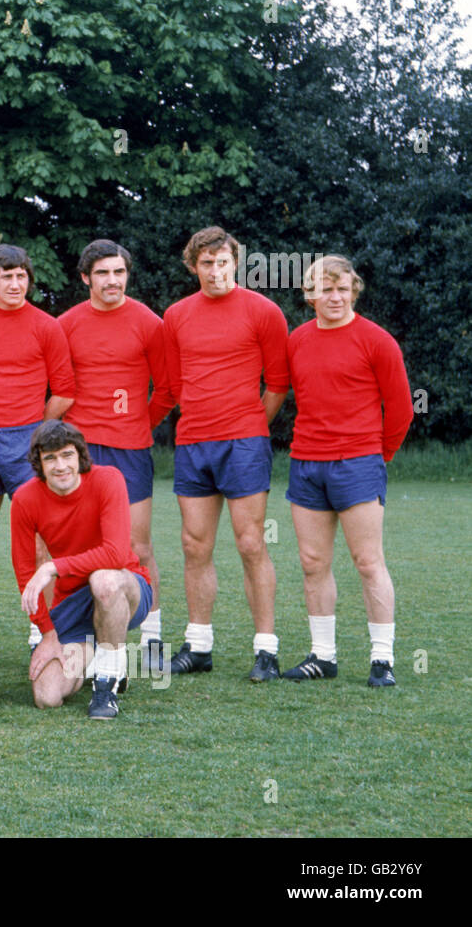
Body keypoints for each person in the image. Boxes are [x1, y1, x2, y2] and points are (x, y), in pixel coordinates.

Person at [159, 226, 290, 681]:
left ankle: (266, 650)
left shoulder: (264, 311)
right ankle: (198, 645)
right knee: (194, 545)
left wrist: (250, 426)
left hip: (244, 443)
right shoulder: (175, 315)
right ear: (193, 266)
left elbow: (277, 384)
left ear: (236, 262)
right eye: (206, 263)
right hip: (193, 442)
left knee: (251, 543)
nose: (215, 271)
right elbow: (175, 386)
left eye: (223, 262)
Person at [283, 256, 413, 687]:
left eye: (342, 289)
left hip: (358, 463)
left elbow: (400, 410)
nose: (333, 297)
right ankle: (323, 656)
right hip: (306, 463)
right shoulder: (297, 340)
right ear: (310, 295)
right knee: (312, 561)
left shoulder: (377, 341)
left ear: (353, 291)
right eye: (324, 288)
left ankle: (382, 660)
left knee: (367, 560)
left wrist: (378, 457)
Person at [0, 243, 76, 666]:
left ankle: (39, 627)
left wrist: (33, 431)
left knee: (41, 545)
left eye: (21, 275)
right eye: (7, 276)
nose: (15, 283)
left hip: (29, 443)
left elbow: (64, 390)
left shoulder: (47, 326)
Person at [58, 240, 173, 668]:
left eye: (119, 272)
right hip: (79, 450)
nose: (112, 281)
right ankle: (58, 634)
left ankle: (154, 643)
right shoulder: (66, 324)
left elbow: (167, 389)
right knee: (74, 545)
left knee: (137, 547)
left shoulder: (149, 322)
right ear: (86, 277)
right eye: (103, 273)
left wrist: (139, 423)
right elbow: (56, 386)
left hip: (130, 449)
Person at [11, 421, 153, 719]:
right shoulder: (25, 499)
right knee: (47, 696)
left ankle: (106, 686)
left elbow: (115, 554)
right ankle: (101, 653)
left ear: (80, 456)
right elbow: (26, 574)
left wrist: (53, 566)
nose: (60, 465)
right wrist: (47, 633)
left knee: (103, 581)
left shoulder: (107, 479)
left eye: (66, 455)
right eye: (50, 458)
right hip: (74, 601)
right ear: (39, 463)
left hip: (126, 589)